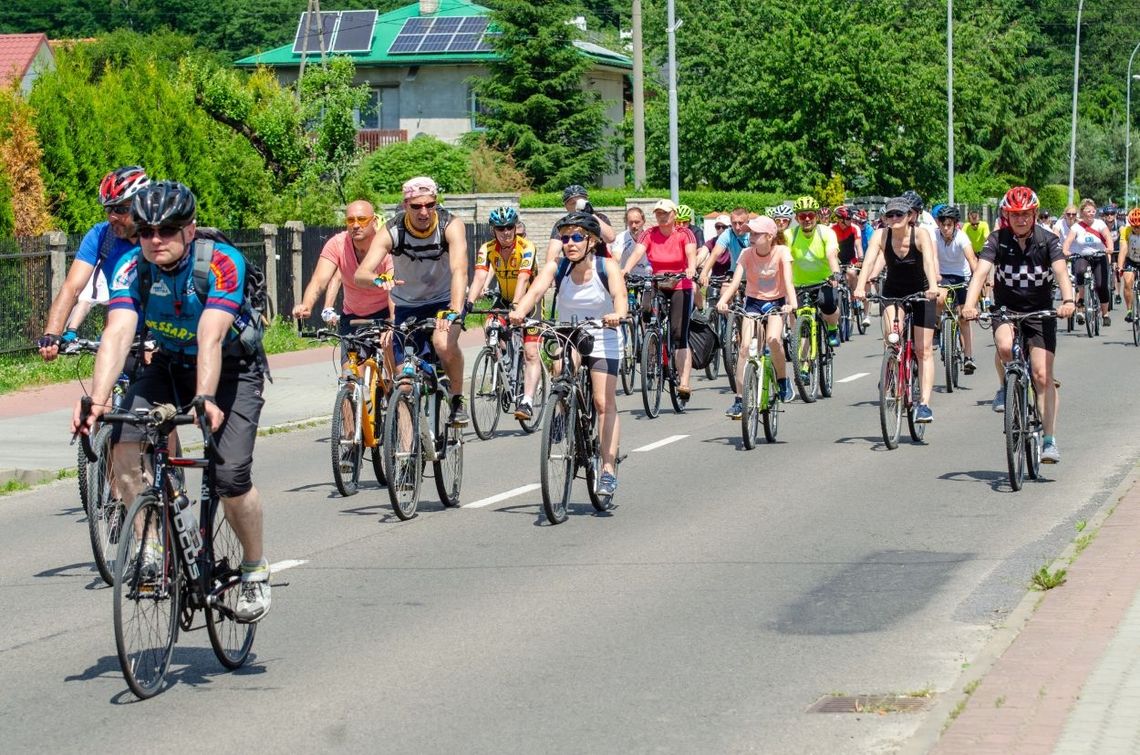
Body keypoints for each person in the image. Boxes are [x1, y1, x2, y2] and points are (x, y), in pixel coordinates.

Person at [70, 181, 272, 621]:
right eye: (145, 231)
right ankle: (152, 545)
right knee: (122, 445)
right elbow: (118, 333)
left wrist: (204, 397)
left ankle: (255, 569)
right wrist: (98, 401)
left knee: (231, 475)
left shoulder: (220, 261)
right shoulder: (130, 266)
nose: (155, 239)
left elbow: (211, 336)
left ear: (190, 229)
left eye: (167, 229)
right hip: (167, 363)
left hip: (232, 370)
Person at [510, 212, 627, 496]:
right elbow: (535, 292)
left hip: (602, 335)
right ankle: (562, 409)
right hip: (569, 334)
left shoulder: (606, 267)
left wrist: (618, 314)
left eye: (577, 238)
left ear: (592, 241)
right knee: (561, 368)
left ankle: (608, 469)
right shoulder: (557, 268)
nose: (570, 243)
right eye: (565, 238)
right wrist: (519, 312)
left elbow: (620, 298)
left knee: (602, 402)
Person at [962, 186, 1076, 462]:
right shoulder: (997, 240)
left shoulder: (1048, 240)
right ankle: (1006, 386)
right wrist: (969, 304)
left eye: (1025, 214)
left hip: (1040, 312)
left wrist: (1069, 300)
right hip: (1006, 308)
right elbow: (981, 273)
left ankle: (1048, 439)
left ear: (1034, 214)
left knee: (1041, 376)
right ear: (1006, 216)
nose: (1021, 220)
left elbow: (1060, 272)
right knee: (1003, 346)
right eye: (1015, 215)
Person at [353, 176, 470, 425]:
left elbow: (460, 269)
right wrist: (377, 280)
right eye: (416, 206)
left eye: (430, 204)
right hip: (407, 305)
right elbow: (361, 273)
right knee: (403, 381)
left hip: (444, 301)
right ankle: (405, 452)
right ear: (405, 205)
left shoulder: (450, 225)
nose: (424, 212)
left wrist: (455, 310)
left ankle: (458, 400)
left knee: (442, 343)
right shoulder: (393, 230)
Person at [38, 166, 150, 360]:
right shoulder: (102, 236)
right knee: (105, 387)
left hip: (161, 334)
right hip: (119, 332)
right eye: (108, 209)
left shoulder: (160, 238)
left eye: (121, 208)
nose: (112, 216)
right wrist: (52, 334)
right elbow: (71, 287)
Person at [855, 196, 941, 423]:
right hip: (894, 291)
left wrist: (933, 287)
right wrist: (861, 286)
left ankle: (924, 404)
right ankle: (893, 366)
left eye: (899, 215)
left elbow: (930, 263)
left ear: (910, 217)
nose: (894, 219)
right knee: (892, 336)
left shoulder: (920, 234)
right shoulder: (881, 235)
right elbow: (868, 261)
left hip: (922, 292)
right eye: (889, 215)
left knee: (924, 350)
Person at [464, 205, 543, 421]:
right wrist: (468, 304)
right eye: (501, 228)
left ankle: (526, 401)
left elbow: (523, 278)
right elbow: (480, 277)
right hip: (503, 298)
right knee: (490, 327)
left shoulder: (527, 246)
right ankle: (503, 360)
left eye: (509, 227)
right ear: (493, 230)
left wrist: (517, 306)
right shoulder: (487, 249)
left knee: (531, 352)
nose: (506, 232)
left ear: (516, 227)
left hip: (528, 300)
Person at [292, 199, 396, 361]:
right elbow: (319, 280)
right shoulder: (337, 244)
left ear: (373, 221)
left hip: (386, 312)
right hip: (353, 315)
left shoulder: (387, 244)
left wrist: (392, 322)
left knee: (395, 371)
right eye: (350, 220)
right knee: (351, 377)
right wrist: (306, 305)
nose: (355, 225)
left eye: (362, 219)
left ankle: (392, 384)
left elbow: (393, 287)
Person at [716, 216, 797, 418]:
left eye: (756, 233)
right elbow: (735, 283)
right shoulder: (746, 254)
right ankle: (739, 399)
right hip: (753, 302)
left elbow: (788, 281)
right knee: (744, 348)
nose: (751, 237)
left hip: (776, 303)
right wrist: (723, 300)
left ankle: (782, 381)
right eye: (750, 233)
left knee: (773, 340)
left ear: (770, 236)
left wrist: (792, 303)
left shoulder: (782, 252)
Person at [620, 199, 698, 399]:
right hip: (657, 281)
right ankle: (654, 346)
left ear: (674, 215)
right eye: (658, 213)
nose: (662, 217)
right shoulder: (649, 233)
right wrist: (626, 269)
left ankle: (684, 382)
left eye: (665, 213)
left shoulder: (684, 233)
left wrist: (691, 268)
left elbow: (691, 253)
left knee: (679, 333)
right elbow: (638, 252)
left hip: (681, 283)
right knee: (646, 312)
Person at [787, 196, 842, 346]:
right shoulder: (789, 235)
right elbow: (781, 259)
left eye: (810, 215)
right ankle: (804, 364)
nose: (806, 219)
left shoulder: (826, 232)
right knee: (796, 316)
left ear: (816, 216)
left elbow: (831, 254)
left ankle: (832, 329)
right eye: (802, 216)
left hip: (823, 281)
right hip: (798, 284)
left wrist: (835, 273)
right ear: (796, 218)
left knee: (828, 305)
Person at [932, 205, 979, 374]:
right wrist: (935, 277)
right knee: (938, 298)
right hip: (942, 275)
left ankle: (968, 356)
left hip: (961, 276)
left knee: (964, 317)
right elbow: (933, 258)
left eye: (949, 225)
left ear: (955, 225)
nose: (945, 228)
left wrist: (977, 279)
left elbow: (972, 259)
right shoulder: (934, 236)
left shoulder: (962, 238)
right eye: (942, 224)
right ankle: (937, 331)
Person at [1062, 198, 1112, 327]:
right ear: (1082, 212)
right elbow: (1068, 241)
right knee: (1079, 271)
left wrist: (1109, 248)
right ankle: (1081, 299)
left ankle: (1105, 314)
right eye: (1088, 211)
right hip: (1082, 256)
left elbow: (1107, 237)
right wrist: (1066, 250)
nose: (1091, 213)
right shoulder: (1077, 227)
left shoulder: (1100, 224)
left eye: (1093, 211)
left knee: (1101, 285)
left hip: (1099, 256)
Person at [546, 185, 616, 261]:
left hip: (598, 264)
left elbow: (610, 238)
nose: (577, 205)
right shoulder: (562, 224)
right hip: (574, 266)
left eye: (580, 201)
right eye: (572, 203)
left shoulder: (599, 218)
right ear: (566, 206)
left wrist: (591, 214)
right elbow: (553, 252)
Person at [1117, 207, 1140, 321]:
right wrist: (1120, 267)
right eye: (1134, 226)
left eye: (1139, 226)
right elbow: (1123, 250)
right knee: (1127, 281)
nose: (1136, 229)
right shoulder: (1126, 231)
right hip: (1131, 259)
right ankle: (1130, 310)